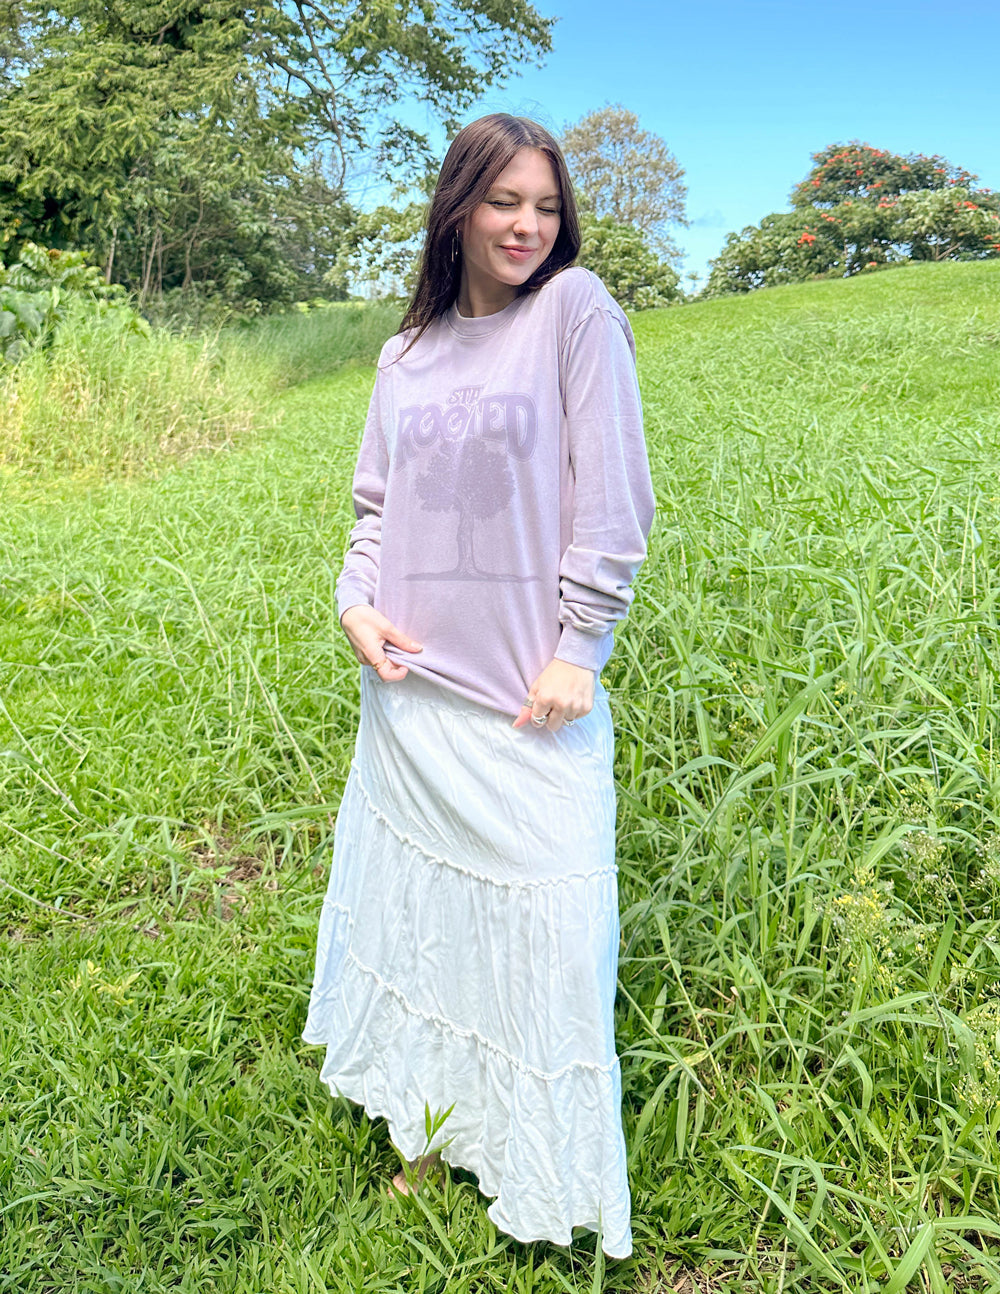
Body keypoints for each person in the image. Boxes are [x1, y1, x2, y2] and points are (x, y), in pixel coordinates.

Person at [302, 112, 655, 1259]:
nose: (527, 225)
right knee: (426, 926)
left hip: (524, 703)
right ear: (457, 207)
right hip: (408, 695)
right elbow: (374, 507)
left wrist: (579, 646)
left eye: (546, 206)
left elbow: (612, 503)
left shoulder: (574, 313)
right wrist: (354, 602)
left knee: (547, 933)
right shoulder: (404, 353)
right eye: (506, 201)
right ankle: (431, 1123)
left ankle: (534, 1165)